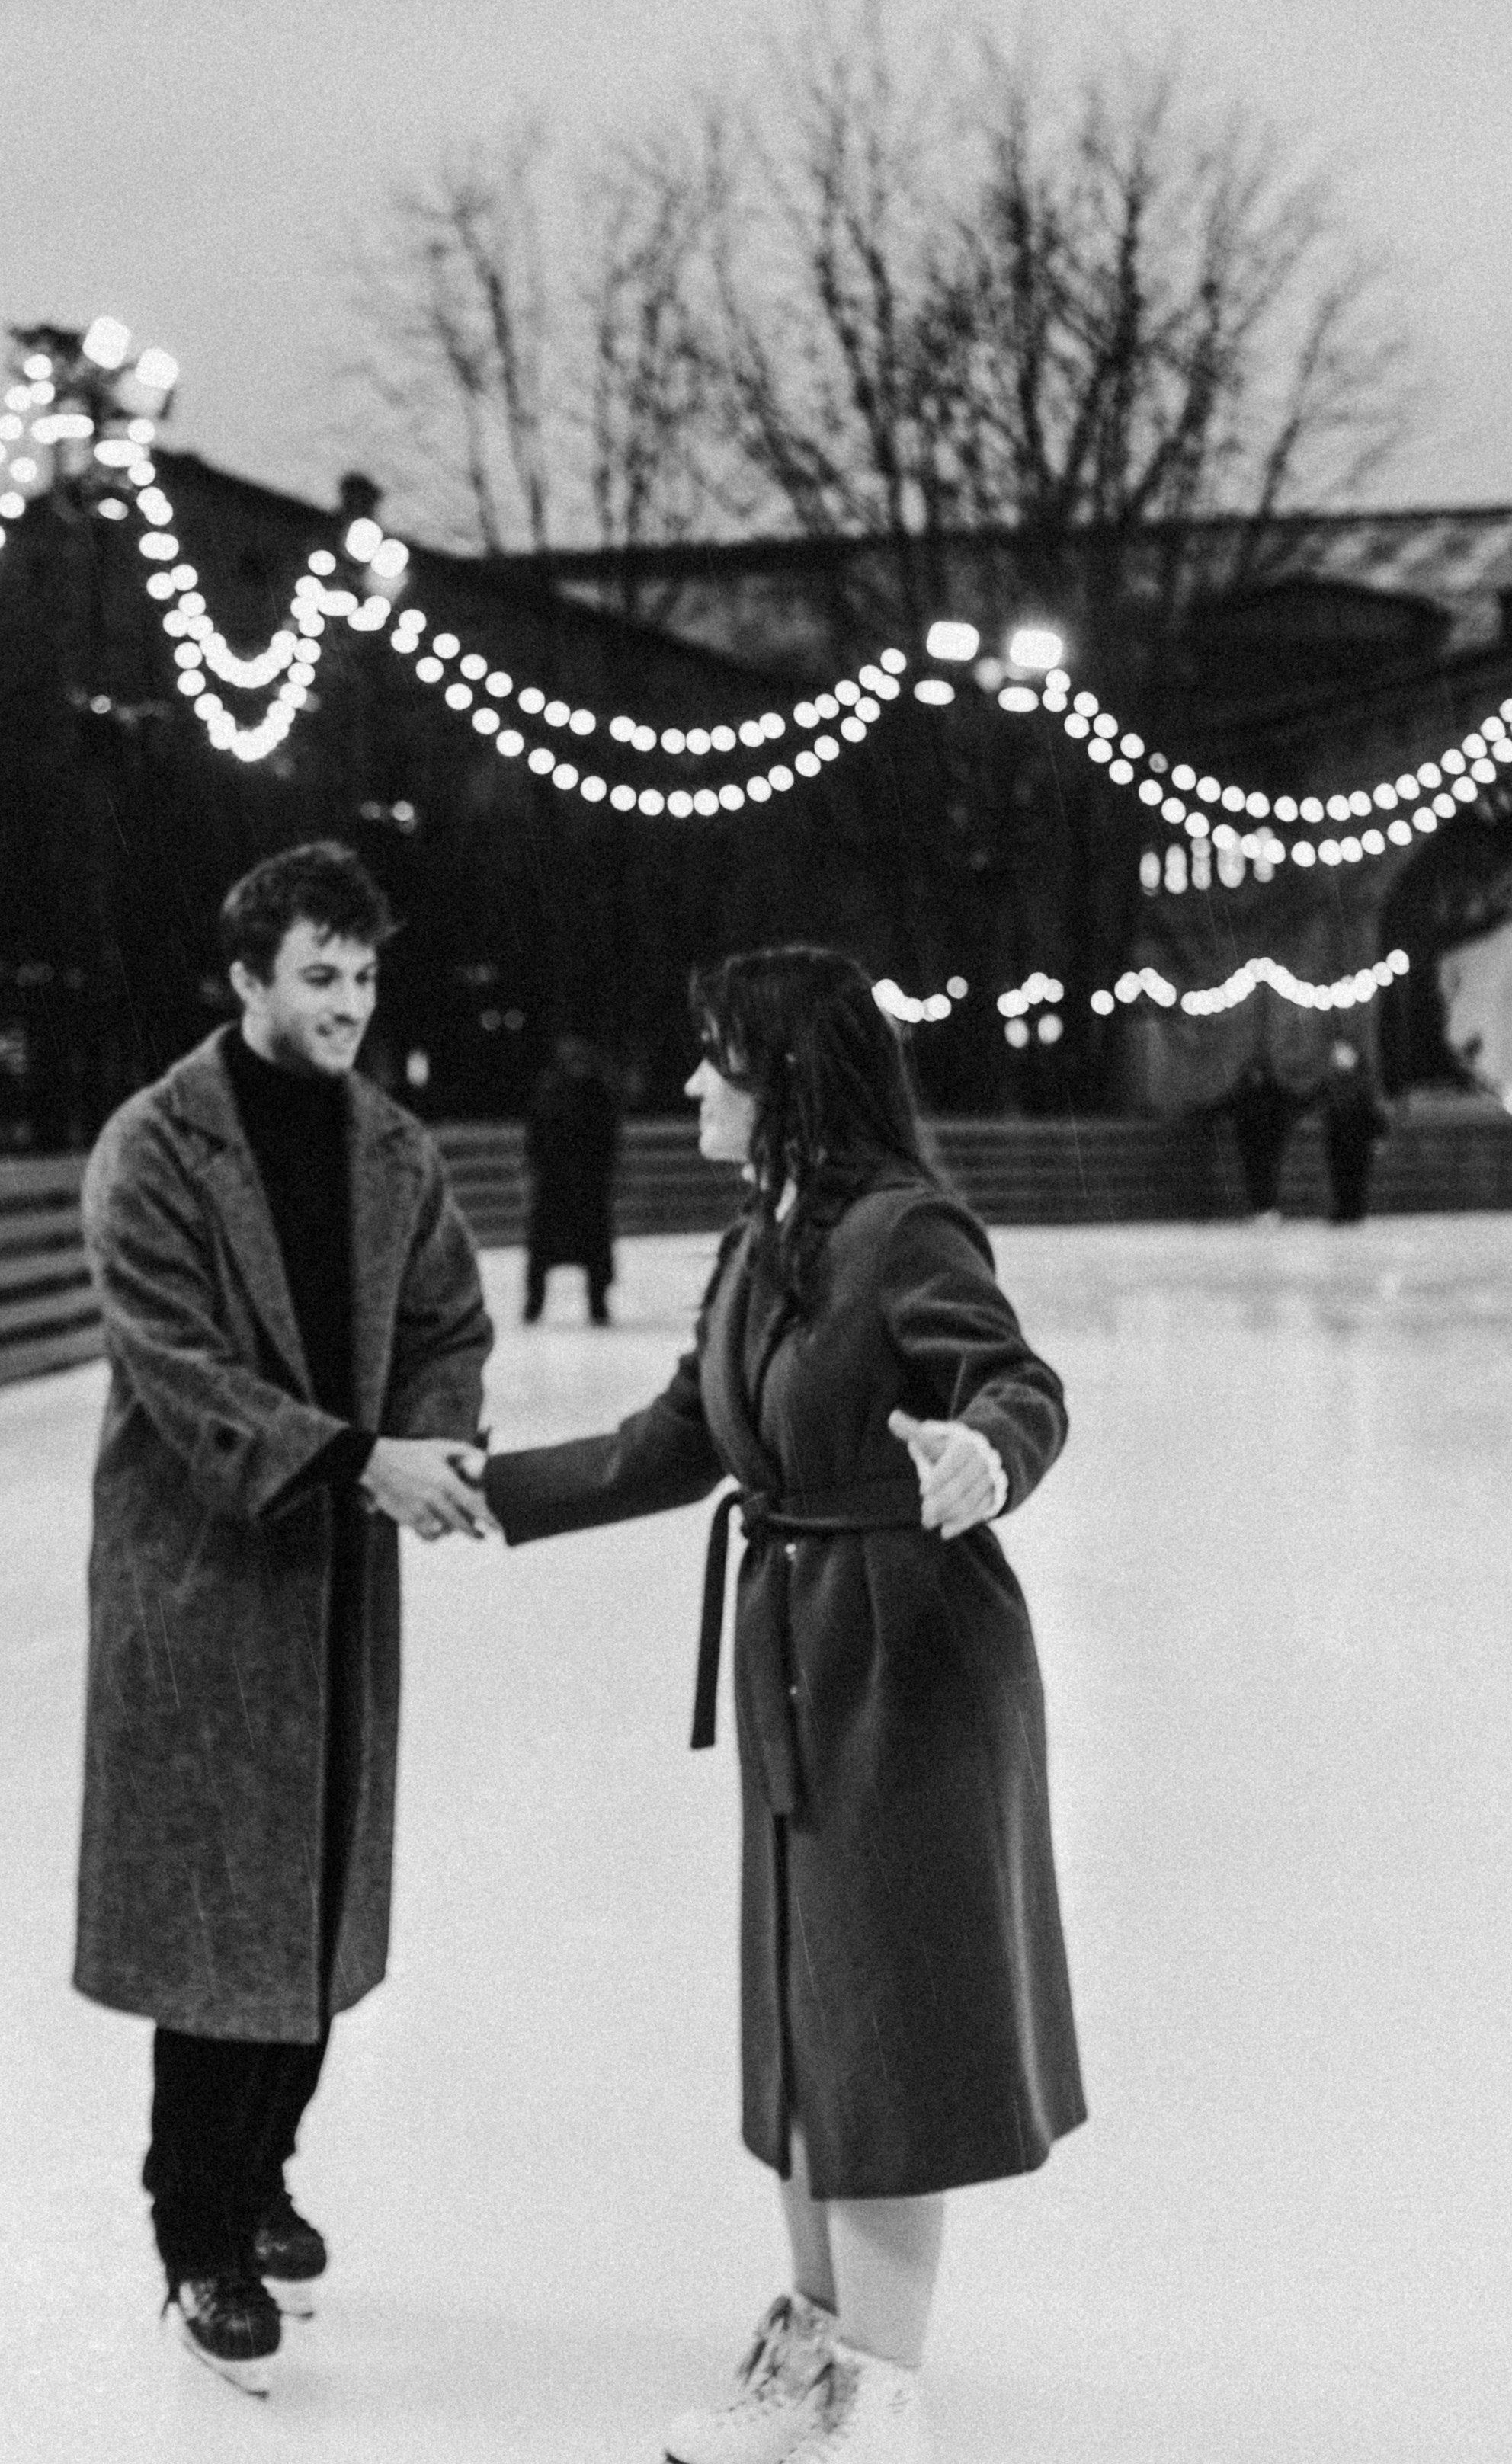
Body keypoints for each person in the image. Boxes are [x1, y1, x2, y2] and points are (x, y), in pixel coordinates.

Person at [482, 946, 1084, 2464]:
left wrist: (982, 1457)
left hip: (908, 1659)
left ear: (784, 1081)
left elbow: (1015, 1383)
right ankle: (816, 2356)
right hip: (795, 1657)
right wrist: (478, 1495)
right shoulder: (763, 1243)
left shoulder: (899, 1233)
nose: (687, 1082)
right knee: (810, 2026)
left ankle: (877, 2395)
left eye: (713, 1059)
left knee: (884, 2034)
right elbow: (675, 1440)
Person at [72, 841, 492, 2395]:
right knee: (216, 1921)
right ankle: (196, 2229)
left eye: (364, 976)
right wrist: (354, 1461)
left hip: (339, 1571)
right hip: (207, 1578)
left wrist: (433, 1439)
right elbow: (178, 1371)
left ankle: (263, 2170)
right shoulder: (158, 1148)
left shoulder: (389, 1147)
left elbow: (447, 1314)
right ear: (246, 979)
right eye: (318, 976)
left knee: (313, 1908)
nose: (348, 1005)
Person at [523, 1032, 623, 1323]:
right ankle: (534, 1304)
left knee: (593, 1252)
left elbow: (609, 1139)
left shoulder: (597, 1093)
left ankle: (597, 1304)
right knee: (543, 1253)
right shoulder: (550, 1091)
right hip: (555, 1184)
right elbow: (536, 1136)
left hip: (588, 1185)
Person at [1225, 1054, 1305, 1220]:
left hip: (1271, 1143)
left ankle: (1268, 1207)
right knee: (1253, 1175)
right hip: (1249, 1142)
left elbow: (1295, 1103)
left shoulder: (1275, 1092)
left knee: (1268, 1175)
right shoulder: (1242, 1093)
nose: (1256, 1076)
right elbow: (1223, 1106)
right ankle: (1258, 1208)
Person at [1321, 1037, 1387, 1224]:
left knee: (1357, 1175)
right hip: (1337, 1138)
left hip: (1359, 1138)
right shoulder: (1331, 1082)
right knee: (1339, 1175)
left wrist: (1379, 1135)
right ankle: (1343, 1208)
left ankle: (1355, 1209)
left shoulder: (1364, 1082)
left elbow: (1374, 1111)